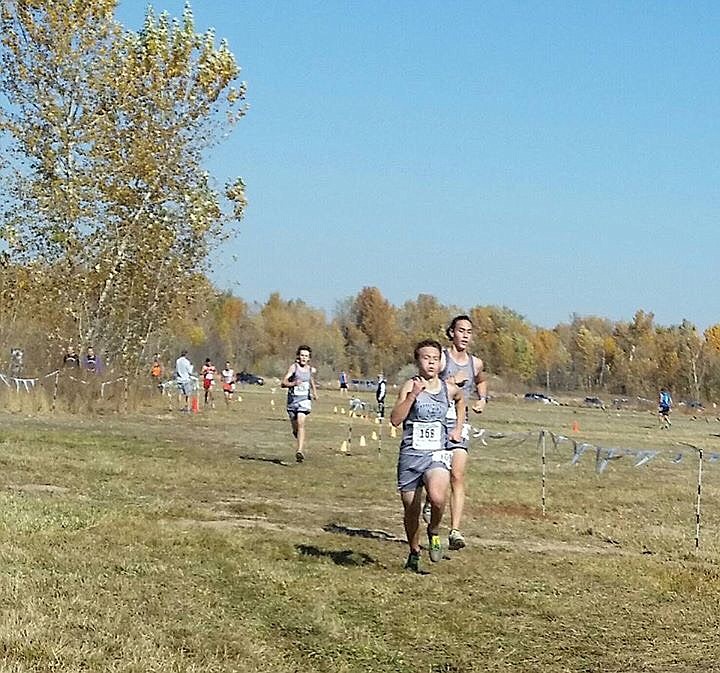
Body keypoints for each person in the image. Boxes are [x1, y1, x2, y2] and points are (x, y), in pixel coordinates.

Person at [391, 339, 465, 573]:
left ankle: (433, 530)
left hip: (437, 454)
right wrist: (412, 396)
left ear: (440, 362)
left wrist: (457, 428)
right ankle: (414, 551)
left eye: (435, 358)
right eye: (426, 358)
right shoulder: (409, 385)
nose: (431, 362)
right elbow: (395, 419)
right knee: (411, 510)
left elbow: (461, 401)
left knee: (437, 497)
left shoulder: (448, 388)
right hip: (411, 455)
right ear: (418, 361)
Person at [423, 314, 488, 552]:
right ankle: (431, 501)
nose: (465, 335)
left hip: (461, 423)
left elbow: (481, 380)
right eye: (461, 331)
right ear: (451, 333)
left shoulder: (475, 363)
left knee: (458, 475)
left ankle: (456, 530)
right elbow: (429, 379)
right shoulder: (441, 359)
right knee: (436, 476)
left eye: (469, 332)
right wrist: (450, 380)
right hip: (437, 424)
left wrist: (482, 399)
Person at [281, 345, 318, 463]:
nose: (304, 358)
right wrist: (293, 384)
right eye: (302, 355)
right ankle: (297, 435)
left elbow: (311, 380)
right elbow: (283, 383)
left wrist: (315, 392)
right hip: (292, 401)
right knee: (296, 426)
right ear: (298, 356)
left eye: (306, 356)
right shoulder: (294, 368)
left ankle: (299, 451)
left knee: (301, 423)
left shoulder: (310, 369)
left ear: (309, 358)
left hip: (304, 400)